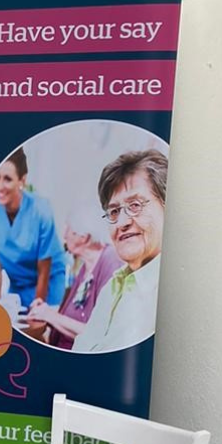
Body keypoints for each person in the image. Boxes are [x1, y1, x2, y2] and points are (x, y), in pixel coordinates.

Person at [71, 149, 168, 354]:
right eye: (114, 211)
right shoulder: (112, 287)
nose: (122, 222)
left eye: (135, 205)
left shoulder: (173, 293)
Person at [27, 208, 124, 349]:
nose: (64, 236)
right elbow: (73, 315)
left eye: (68, 229)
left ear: (83, 237)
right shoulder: (86, 266)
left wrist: (50, 316)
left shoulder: (111, 260)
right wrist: (45, 311)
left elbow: (100, 334)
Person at [0, 147, 66, 310]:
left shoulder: (41, 210)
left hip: (47, 284)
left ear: (22, 181)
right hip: (18, 286)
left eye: (7, 179)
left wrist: (39, 304)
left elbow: (45, 264)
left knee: (40, 328)